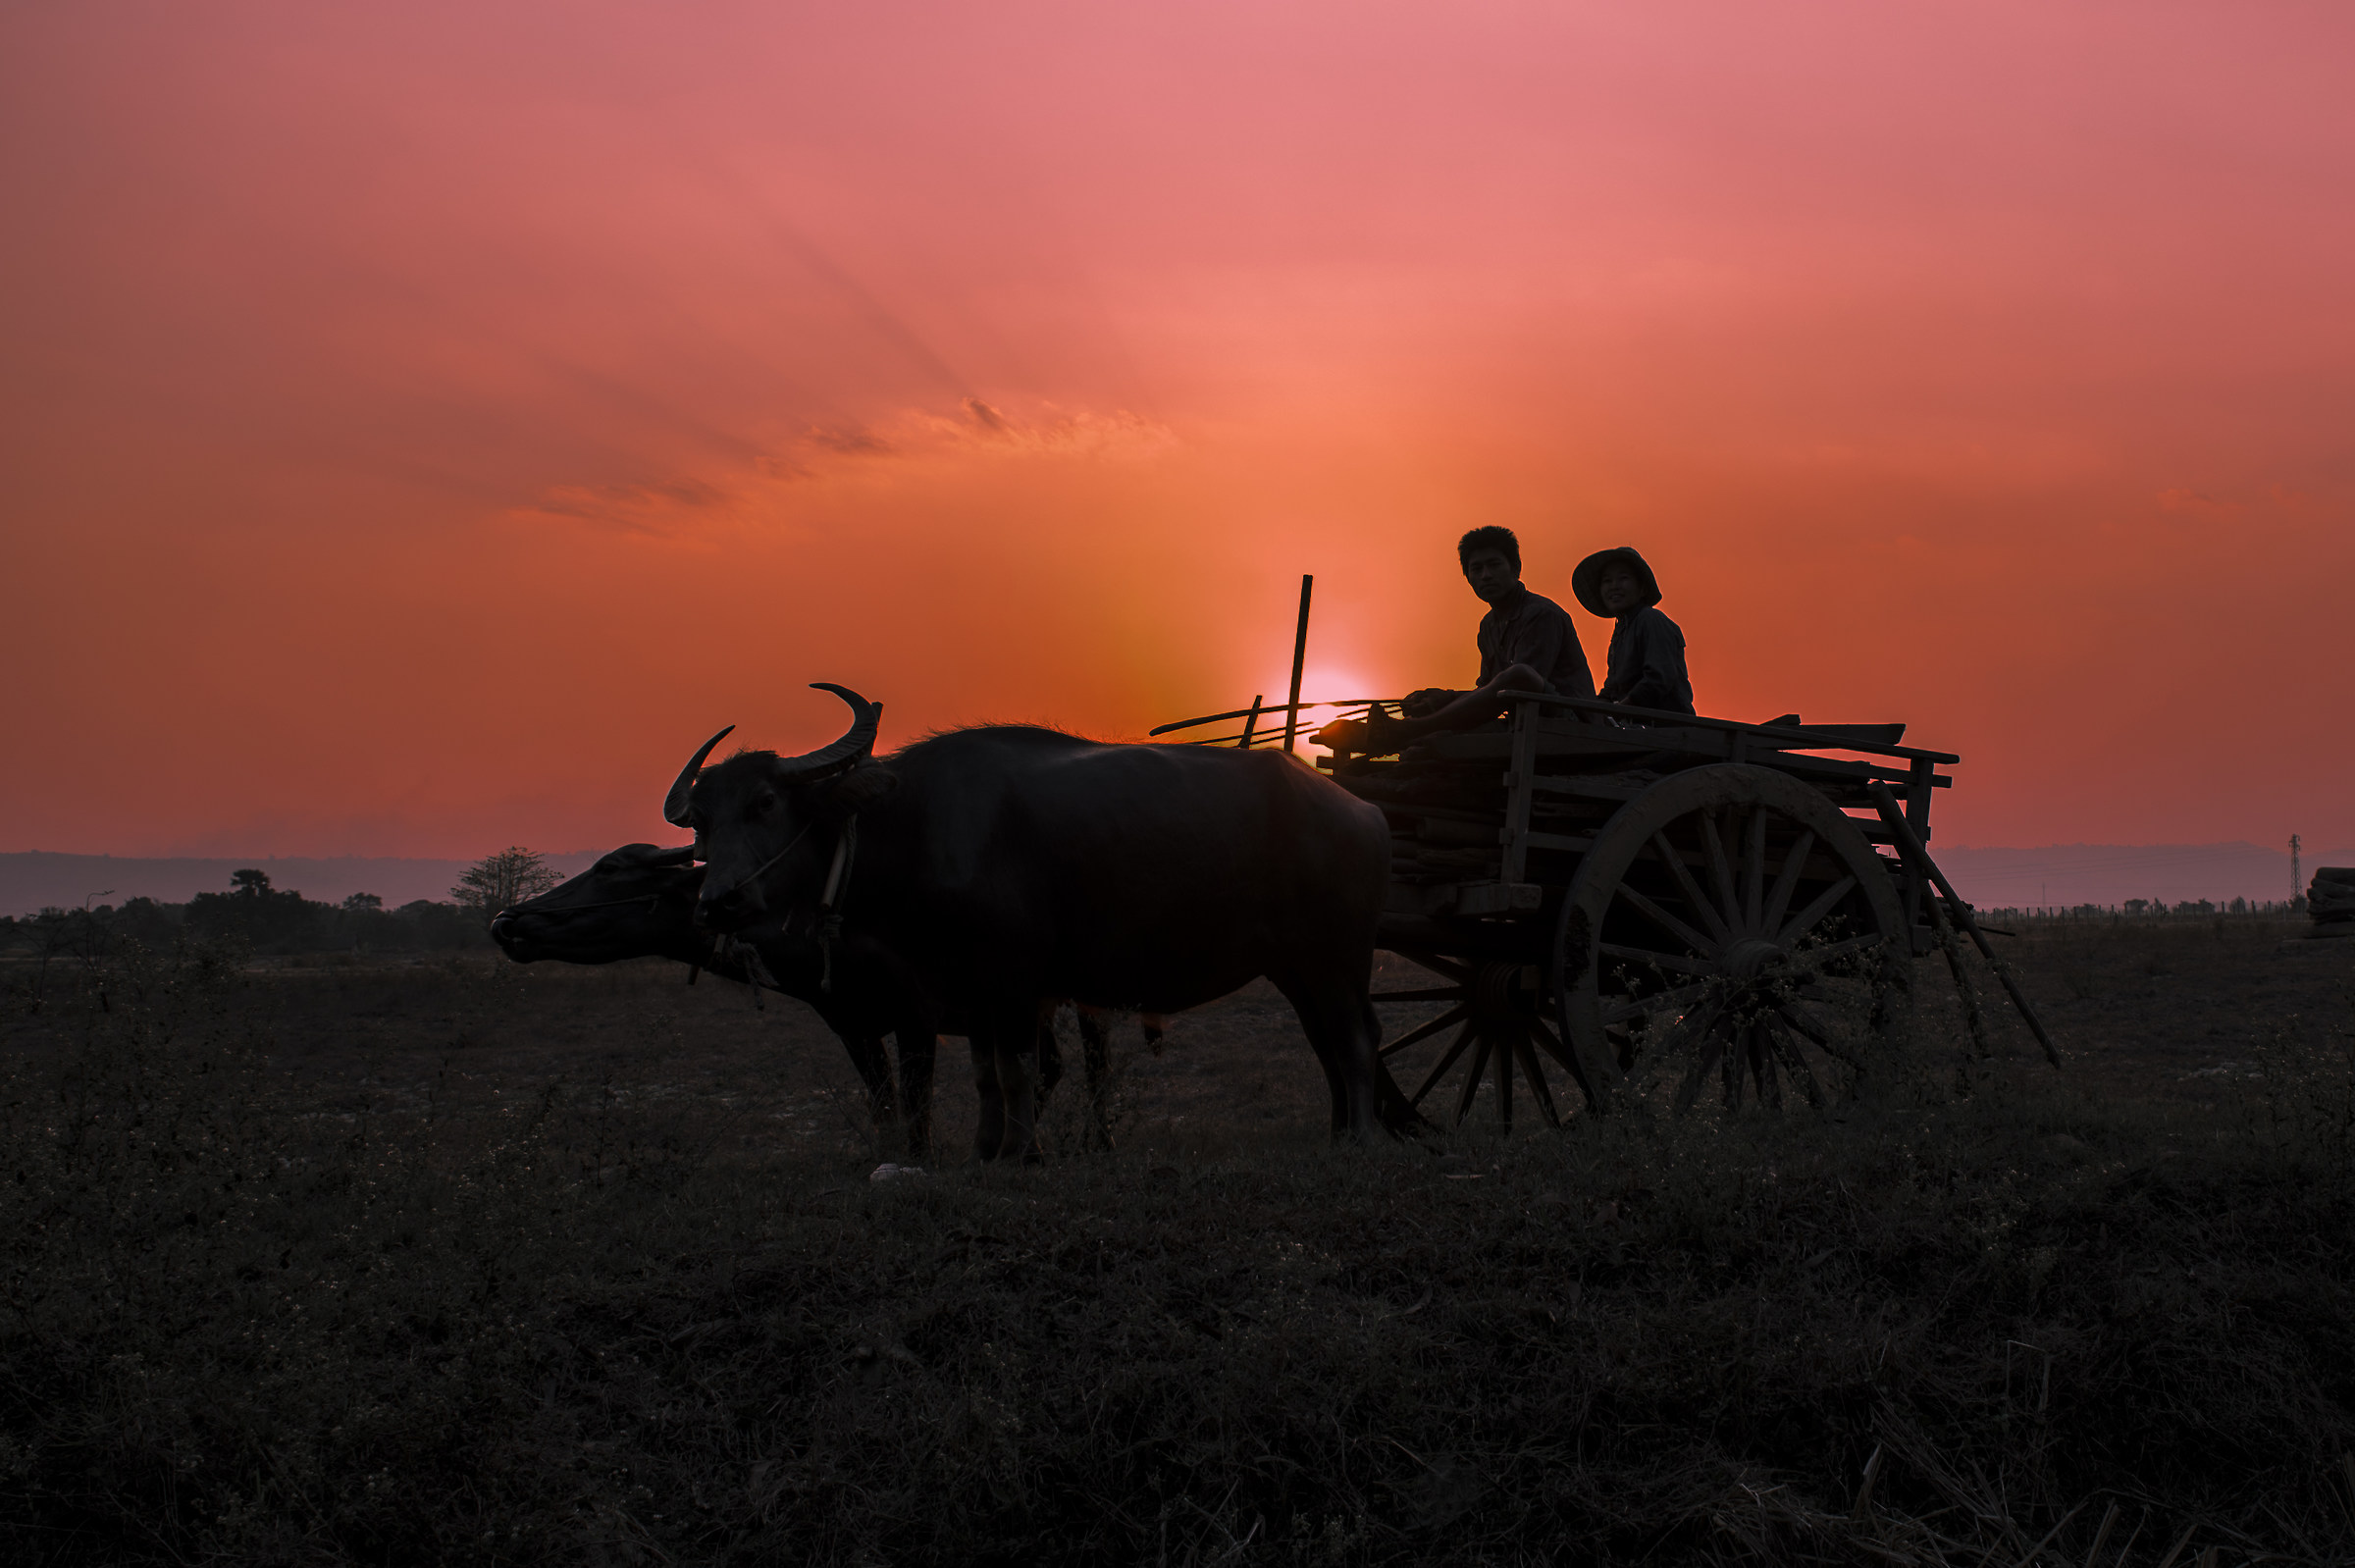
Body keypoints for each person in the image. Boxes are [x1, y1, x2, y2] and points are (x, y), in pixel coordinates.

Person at [1318, 526, 1593, 755]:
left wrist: (1448, 700)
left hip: (1571, 723)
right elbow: (1489, 692)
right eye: (1476, 569)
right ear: (1468, 578)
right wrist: (1439, 699)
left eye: (1494, 565)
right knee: (1426, 737)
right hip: (1522, 722)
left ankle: (1408, 730)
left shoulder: (1541, 614)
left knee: (1519, 675)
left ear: (1516, 568)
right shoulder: (1488, 626)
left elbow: (1519, 689)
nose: (1485, 575)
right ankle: (1402, 732)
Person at [1573, 546, 1694, 715]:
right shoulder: (1621, 632)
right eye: (1607, 581)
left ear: (1642, 588)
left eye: (1623, 578)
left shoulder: (1651, 620)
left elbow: (1658, 680)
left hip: (1666, 724)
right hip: (1632, 722)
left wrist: (1620, 709)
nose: (1614, 586)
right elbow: (1612, 688)